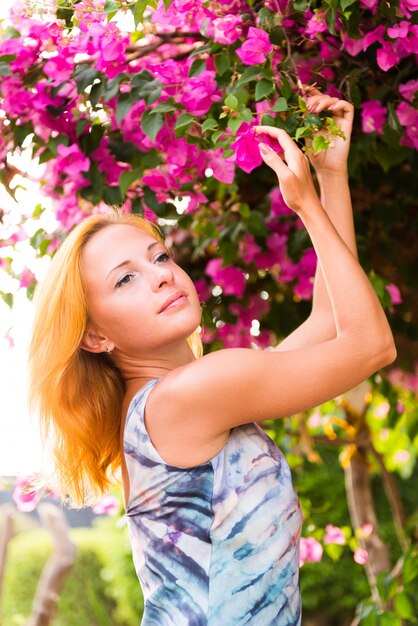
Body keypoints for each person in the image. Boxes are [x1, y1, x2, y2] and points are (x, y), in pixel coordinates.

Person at [29, 89, 396, 626]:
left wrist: (329, 174)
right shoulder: (188, 395)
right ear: (95, 338)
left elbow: (330, 324)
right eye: (125, 279)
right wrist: (306, 206)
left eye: (159, 256)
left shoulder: (185, 397)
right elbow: (371, 346)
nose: (159, 274)